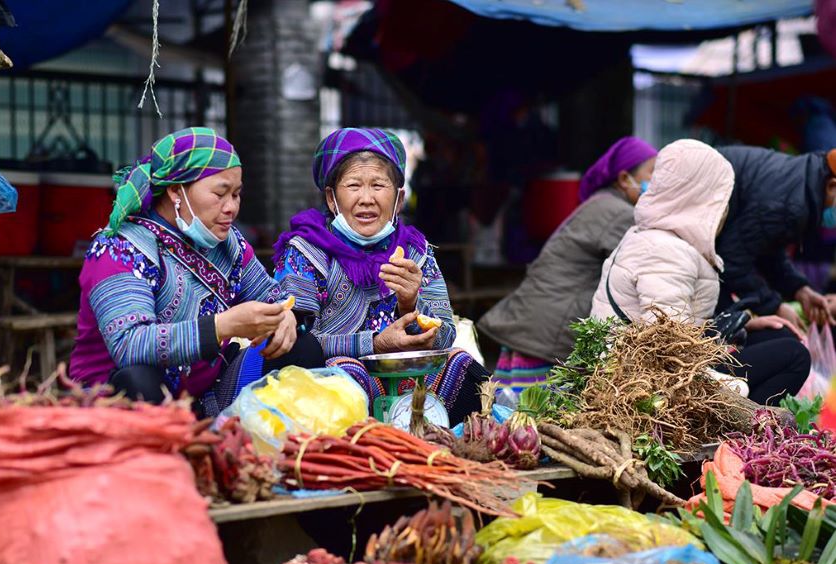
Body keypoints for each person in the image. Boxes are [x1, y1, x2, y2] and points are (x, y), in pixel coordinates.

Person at [70, 127, 324, 417]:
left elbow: (273, 297)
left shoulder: (228, 244)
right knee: (138, 379)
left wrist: (286, 316)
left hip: (206, 393)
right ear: (176, 190)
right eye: (220, 194)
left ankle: (268, 447)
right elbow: (130, 345)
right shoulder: (119, 249)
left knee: (302, 349)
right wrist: (221, 326)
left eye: (237, 194)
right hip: (121, 396)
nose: (231, 207)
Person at [272, 127, 490, 425]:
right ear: (332, 198)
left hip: (406, 378)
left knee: (465, 367)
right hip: (339, 380)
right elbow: (295, 345)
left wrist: (410, 304)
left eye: (378, 185)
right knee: (348, 375)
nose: (366, 198)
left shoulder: (416, 252)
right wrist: (372, 344)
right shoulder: (305, 251)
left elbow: (446, 335)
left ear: (398, 200)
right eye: (353, 185)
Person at [591, 139, 810, 405]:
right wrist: (726, 383)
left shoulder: (659, 238)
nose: (725, 211)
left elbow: (678, 322)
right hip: (651, 384)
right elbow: (667, 346)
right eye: (721, 200)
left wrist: (740, 326)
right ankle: (741, 429)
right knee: (794, 356)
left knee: (776, 336)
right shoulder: (665, 250)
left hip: (664, 369)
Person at [478, 136, 657, 393]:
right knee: (537, 422)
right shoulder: (618, 213)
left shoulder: (600, 203)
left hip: (535, 325)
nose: (656, 182)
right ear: (623, 178)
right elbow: (639, 271)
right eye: (652, 173)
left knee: (513, 419)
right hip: (547, 332)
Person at [715, 146, 836, 327]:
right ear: (832, 185)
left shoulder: (803, 184)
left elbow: (767, 248)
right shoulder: (791, 204)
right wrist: (774, 306)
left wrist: (800, 290)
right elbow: (732, 260)